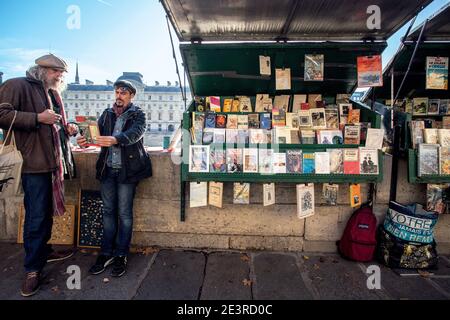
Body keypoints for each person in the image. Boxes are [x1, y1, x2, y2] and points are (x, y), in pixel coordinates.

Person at [0, 54, 78, 297]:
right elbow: (2, 116)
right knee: (35, 217)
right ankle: (32, 269)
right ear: (42, 70)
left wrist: (68, 127)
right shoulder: (16, 85)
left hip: (52, 162)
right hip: (32, 163)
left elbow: (53, 125)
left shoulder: (53, 94)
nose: (60, 77)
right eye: (56, 72)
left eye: (62, 73)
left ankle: (44, 252)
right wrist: (37, 118)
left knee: (45, 214)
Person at [77, 80, 152, 278]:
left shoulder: (139, 114)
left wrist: (115, 139)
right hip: (108, 170)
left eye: (123, 93)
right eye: (117, 92)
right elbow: (96, 135)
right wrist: (85, 140)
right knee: (108, 212)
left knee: (125, 214)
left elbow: (136, 134)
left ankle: (121, 254)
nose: (119, 96)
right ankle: (105, 253)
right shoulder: (107, 114)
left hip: (128, 171)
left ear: (131, 96)